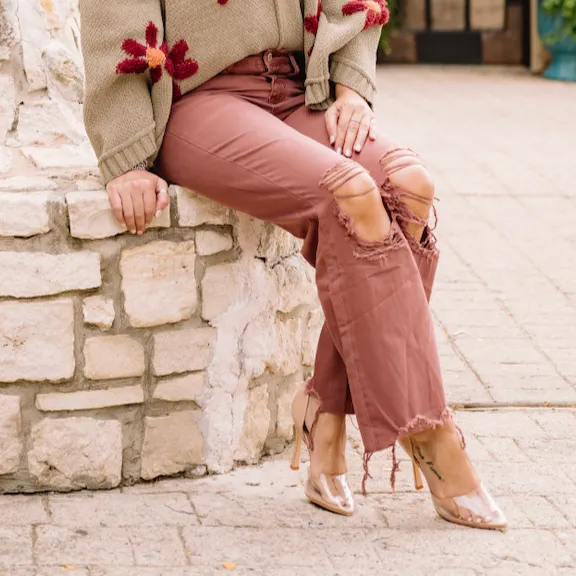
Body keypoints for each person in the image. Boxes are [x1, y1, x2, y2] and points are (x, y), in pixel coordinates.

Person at [79, 0, 507, 530]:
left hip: (298, 89)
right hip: (201, 101)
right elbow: (109, 21)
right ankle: (432, 434)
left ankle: (324, 413)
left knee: (410, 188)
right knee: (350, 192)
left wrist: (351, 87)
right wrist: (125, 158)